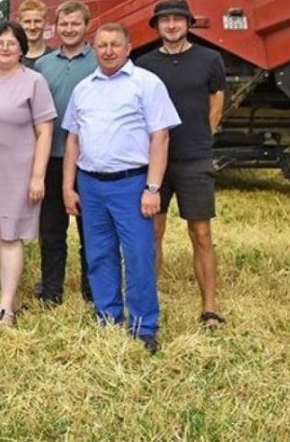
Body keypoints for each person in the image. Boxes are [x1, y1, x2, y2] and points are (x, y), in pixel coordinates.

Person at [62, 23, 180, 354]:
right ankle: (108, 316)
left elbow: (161, 137)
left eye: (115, 44)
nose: (108, 50)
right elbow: (73, 139)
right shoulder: (83, 89)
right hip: (91, 184)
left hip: (132, 183)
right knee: (99, 254)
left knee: (138, 255)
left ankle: (144, 326)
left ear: (129, 48)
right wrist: (68, 187)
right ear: (94, 49)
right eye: (102, 45)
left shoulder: (146, 84)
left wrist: (153, 188)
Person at [137, 0, 226, 329]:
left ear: (188, 23)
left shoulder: (210, 59)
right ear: (157, 26)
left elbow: (216, 100)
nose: (172, 25)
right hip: (153, 162)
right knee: (152, 232)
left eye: (178, 19)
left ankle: (210, 308)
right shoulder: (144, 64)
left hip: (194, 159)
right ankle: (147, 304)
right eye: (165, 20)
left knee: (201, 233)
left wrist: (204, 134)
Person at [0, 21, 56, 326]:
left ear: (21, 49)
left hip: (19, 170)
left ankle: (6, 309)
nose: (5, 48)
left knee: (10, 235)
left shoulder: (34, 82)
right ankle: (8, 296)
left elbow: (45, 131)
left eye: (11, 43)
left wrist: (37, 176)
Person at [33, 0, 96, 305]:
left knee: (91, 232)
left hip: (89, 161)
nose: (69, 29)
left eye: (75, 24)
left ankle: (92, 291)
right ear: (55, 27)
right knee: (51, 231)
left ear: (87, 26)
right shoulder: (43, 65)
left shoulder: (99, 62)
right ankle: (51, 291)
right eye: (64, 24)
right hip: (51, 158)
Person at [17, 0, 52, 68]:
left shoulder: (55, 59)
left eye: (37, 21)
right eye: (27, 22)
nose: (32, 27)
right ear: (19, 23)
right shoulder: (9, 58)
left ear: (46, 23)